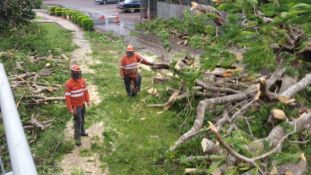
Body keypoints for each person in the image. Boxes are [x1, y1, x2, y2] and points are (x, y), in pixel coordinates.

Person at [64, 64, 90, 146]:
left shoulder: (82, 81)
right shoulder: (68, 84)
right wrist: (70, 108)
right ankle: (77, 138)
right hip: (76, 107)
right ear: (73, 74)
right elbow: (67, 98)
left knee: (82, 119)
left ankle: (82, 132)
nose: (78, 75)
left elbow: (85, 91)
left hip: (82, 104)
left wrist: (88, 100)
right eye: (76, 73)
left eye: (79, 73)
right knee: (78, 121)